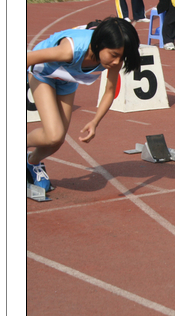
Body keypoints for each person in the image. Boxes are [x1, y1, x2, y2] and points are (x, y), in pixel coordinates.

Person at [26, 18, 141, 191]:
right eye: (114, 55)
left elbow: (110, 91)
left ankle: (32, 162)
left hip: (67, 79)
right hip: (43, 73)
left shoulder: (114, 58)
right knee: (53, 135)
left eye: (121, 57)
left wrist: (95, 122)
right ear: (99, 45)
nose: (117, 62)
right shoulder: (70, 50)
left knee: (57, 141)